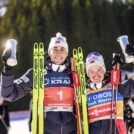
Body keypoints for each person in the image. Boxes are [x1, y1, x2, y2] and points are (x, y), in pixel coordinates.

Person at [0, 32, 77, 134]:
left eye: (62, 49)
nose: (59, 53)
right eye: (55, 49)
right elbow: (9, 94)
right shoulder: (36, 73)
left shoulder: (75, 74)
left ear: (67, 53)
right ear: (49, 52)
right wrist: (8, 69)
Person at [85, 49, 134, 134]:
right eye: (91, 71)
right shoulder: (85, 92)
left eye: (99, 70)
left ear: (104, 70)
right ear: (88, 74)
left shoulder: (116, 84)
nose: (95, 74)